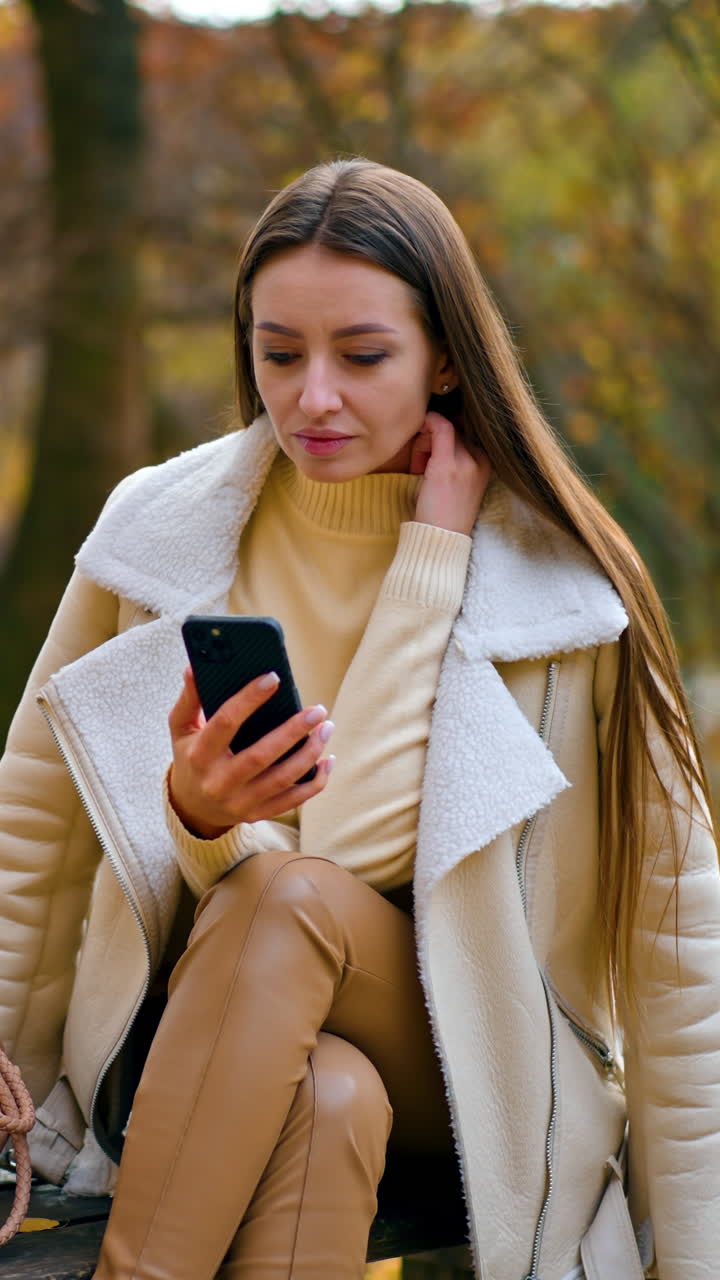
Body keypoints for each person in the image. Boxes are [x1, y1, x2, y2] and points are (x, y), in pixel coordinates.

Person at [0, 158, 717, 1280]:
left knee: (288, 895)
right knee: (329, 1095)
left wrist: (431, 559)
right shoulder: (156, 531)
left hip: (470, 1069)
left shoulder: (566, 584)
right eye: (278, 353)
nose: (313, 397)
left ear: (445, 355)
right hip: (189, 1048)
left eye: (364, 356)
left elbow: (680, 942)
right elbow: (28, 829)